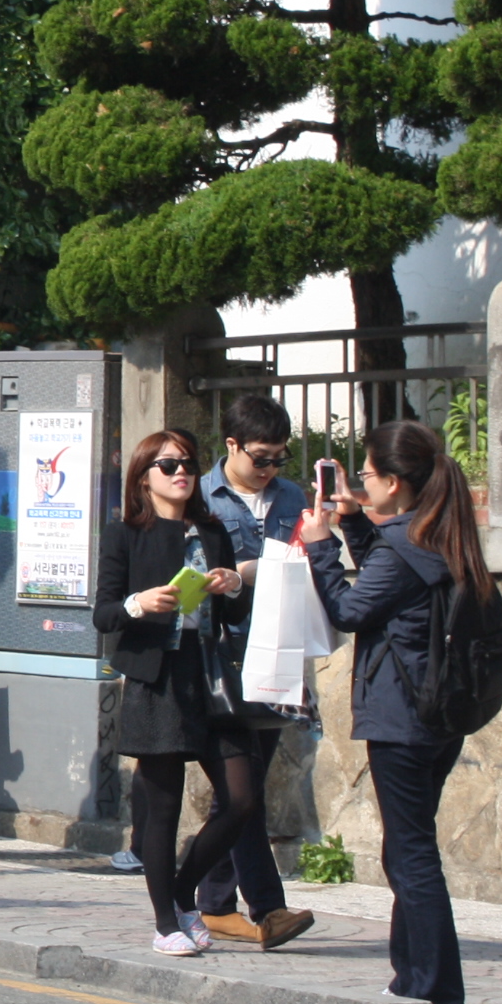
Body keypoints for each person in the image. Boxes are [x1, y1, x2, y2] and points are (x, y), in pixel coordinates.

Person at [300, 417, 493, 1004]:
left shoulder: (409, 545)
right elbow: (391, 577)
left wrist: (321, 547)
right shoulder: (439, 534)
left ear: (393, 482)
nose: (358, 483)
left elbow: (353, 608)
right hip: (439, 713)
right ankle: (411, 972)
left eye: (365, 476)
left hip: (402, 714)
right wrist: (356, 523)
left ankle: (436, 982)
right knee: (409, 847)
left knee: (410, 853)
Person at [93, 428, 258, 955]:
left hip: (210, 674)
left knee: (241, 798)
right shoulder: (125, 534)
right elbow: (105, 612)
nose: (181, 472)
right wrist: (140, 604)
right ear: (145, 478)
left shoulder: (211, 530)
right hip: (155, 677)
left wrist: (233, 587)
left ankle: (184, 889)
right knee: (161, 806)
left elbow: (232, 613)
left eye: (187, 463)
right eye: (168, 466)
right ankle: (166, 921)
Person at [192, 394, 318, 950]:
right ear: (232, 447)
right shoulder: (200, 497)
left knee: (241, 789)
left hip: (278, 655)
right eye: (260, 458)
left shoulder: (292, 497)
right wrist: (237, 577)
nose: (269, 470)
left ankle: (211, 900)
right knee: (241, 792)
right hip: (218, 659)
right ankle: (267, 907)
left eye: (278, 459)